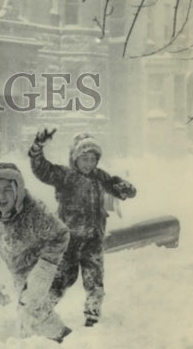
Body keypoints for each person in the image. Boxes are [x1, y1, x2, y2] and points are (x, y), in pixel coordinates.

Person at [29, 129, 137, 327]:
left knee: (94, 279)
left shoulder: (99, 176)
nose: (89, 163)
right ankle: (42, 311)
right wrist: (37, 148)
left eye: (92, 159)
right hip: (69, 240)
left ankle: (92, 315)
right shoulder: (65, 176)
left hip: (93, 239)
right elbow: (42, 170)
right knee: (62, 279)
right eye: (84, 159)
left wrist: (126, 189)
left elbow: (116, 185)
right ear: (75, 158)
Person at [0, 161, 72, 342]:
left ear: (17, 190)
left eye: (7, 190)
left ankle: (67, 342)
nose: (1, 196)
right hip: (20, 272)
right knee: (28, 319)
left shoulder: (34, 211)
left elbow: (61, 235)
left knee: (30, 310)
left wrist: (44, 270)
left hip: (52, 267)